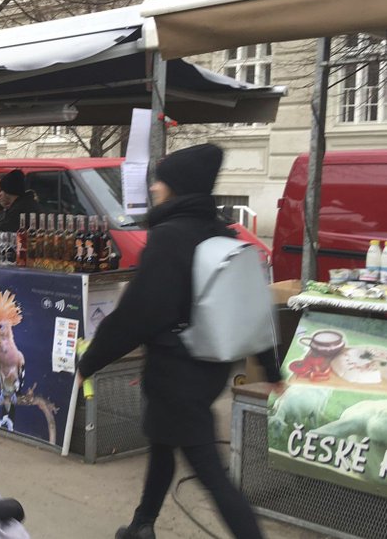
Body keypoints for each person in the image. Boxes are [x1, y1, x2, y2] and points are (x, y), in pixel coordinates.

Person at [75, 144, 282, 539]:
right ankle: (141, 525)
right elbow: (251, 308)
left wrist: (90, 361)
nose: (153, 187)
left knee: (209, 472)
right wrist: (270, 368)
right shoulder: (221, 231)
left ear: (177, 187)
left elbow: (138, 312)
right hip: (208, 367)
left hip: (176, 374)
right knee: (161, 444)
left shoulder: (170, 237)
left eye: (160, 180)